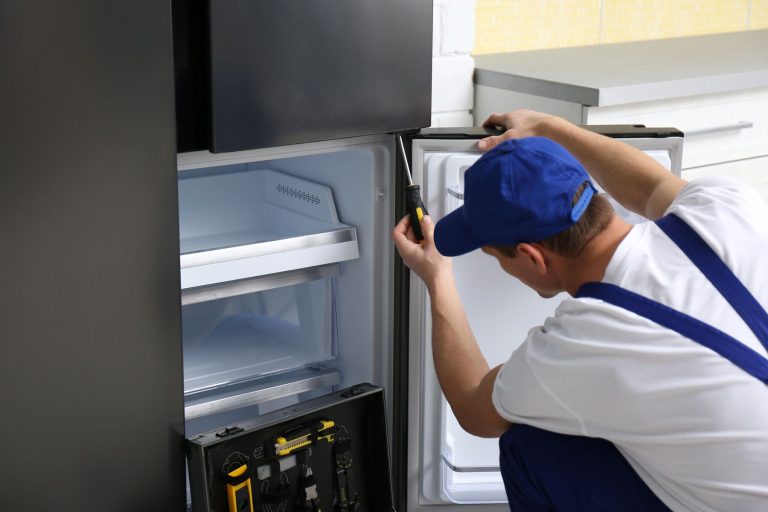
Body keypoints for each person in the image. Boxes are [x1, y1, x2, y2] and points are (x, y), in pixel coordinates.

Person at [392, 109, 768, 511]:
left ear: (532, 256)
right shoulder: (726, 207)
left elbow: (472, 407)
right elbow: (651, 184)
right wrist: (550, 128)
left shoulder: (583, 343)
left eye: (493, 255)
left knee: (530, 447)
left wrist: (437, 277)